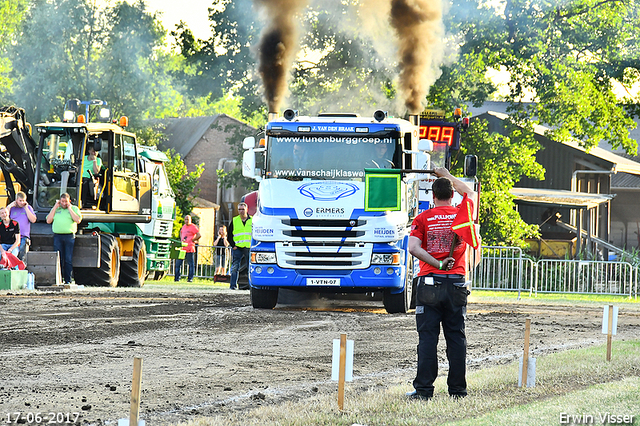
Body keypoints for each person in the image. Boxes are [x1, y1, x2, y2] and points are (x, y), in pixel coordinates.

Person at [407, 167, 477, 401]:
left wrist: (437, 263)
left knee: (428, 339)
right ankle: (458, 391)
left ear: (433, 196)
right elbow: (471, 192)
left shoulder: (422, 218)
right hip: (456, 283)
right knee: (456, 338)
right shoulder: (462, 214)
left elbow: (413, 248)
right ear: (452, 195)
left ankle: (424, 390)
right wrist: (446, 174)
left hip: (429, 283)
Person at [46, 193, 82, 285]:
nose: (64, 203)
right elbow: (48, 220)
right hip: (58, 236)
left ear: (69, 201)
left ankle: (68, 280)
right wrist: (55, 207)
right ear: (60, 201)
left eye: (66, 201)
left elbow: (77, 220)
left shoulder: (74, 209)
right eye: (62, 201)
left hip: (69, 236)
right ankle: (59, 278)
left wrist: (69, 208)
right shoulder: (57, 209)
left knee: (68, 259)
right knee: (58, 258)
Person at [228, 202, 252, 290]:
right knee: (235, 267)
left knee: (250, 268)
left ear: (247, 209)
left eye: (243, 209)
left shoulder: (252, 220)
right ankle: (232, 285)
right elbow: (229, 235)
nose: (241, 211)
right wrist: (233, 245)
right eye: (239, 209)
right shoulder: (235, 220)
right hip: (237, 247)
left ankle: (251, 286)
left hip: (248, 247)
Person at [7, 192, 37, 260]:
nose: (22, 202)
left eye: (23, 200)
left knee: (22, 256)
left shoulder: (28, 208)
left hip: (23, 236)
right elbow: (4, 216)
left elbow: (33, 220)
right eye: (20, 201)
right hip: (12, 237)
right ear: (16, 200)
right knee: (12, 256)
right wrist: (9, 206)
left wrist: (26, 208)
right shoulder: (12, 209)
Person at [174, 214, 201, 282]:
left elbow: (199, 234)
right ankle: (177, 278)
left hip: (190, 248)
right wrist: (181, 240)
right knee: (178, 264)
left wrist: (193, 240)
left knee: (190, 264)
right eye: (185, 219)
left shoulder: (193, 227)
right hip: (183, 248)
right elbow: (181, 233)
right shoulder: (184, 226)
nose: (186, 221)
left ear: (190, 220)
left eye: (188, 219)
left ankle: (190, 278)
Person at [82, 144, 102, 208]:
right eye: (93, 151)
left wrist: (94, 161)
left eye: (96, 151)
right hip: (80, 176)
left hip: (89, 177)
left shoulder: (98, 160)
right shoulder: (83, 158)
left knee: (84, 183)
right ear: (89, 151)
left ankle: (82, 202)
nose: (94, 153)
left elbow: (96, 171)